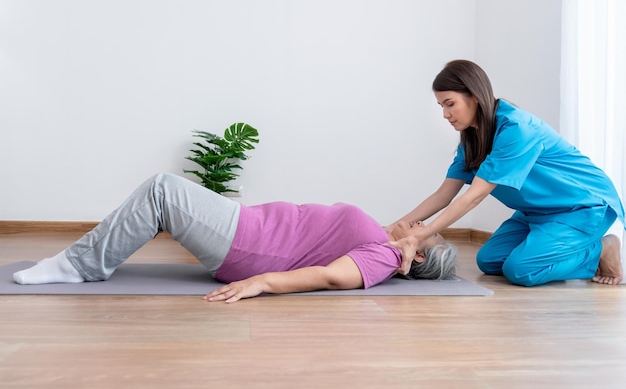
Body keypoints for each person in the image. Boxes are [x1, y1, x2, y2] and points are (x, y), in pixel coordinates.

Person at [13, 173, 457, 302]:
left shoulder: (382, 257)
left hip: (251, 246)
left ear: (417, 259)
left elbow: (332, 277)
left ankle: (79, 266)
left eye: (428, 234)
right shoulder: (384, 239)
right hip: (247, 226)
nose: (423, 225)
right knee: (163, 192)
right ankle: (83, 261)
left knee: (161, 189)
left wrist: (263, 282)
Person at [386, 59, 625, 287]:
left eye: (450, 104)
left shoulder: (517, 129)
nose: (445, 115)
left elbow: (474, 196)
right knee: (489, 261)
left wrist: (419, 236)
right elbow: (443, 195)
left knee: (522, 270)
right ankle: (562, 251)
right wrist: (392, 226)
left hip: (581, 207)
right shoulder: (471, 139)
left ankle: (602, 250)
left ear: (475, 97)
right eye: (441, 106)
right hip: (536, 213)